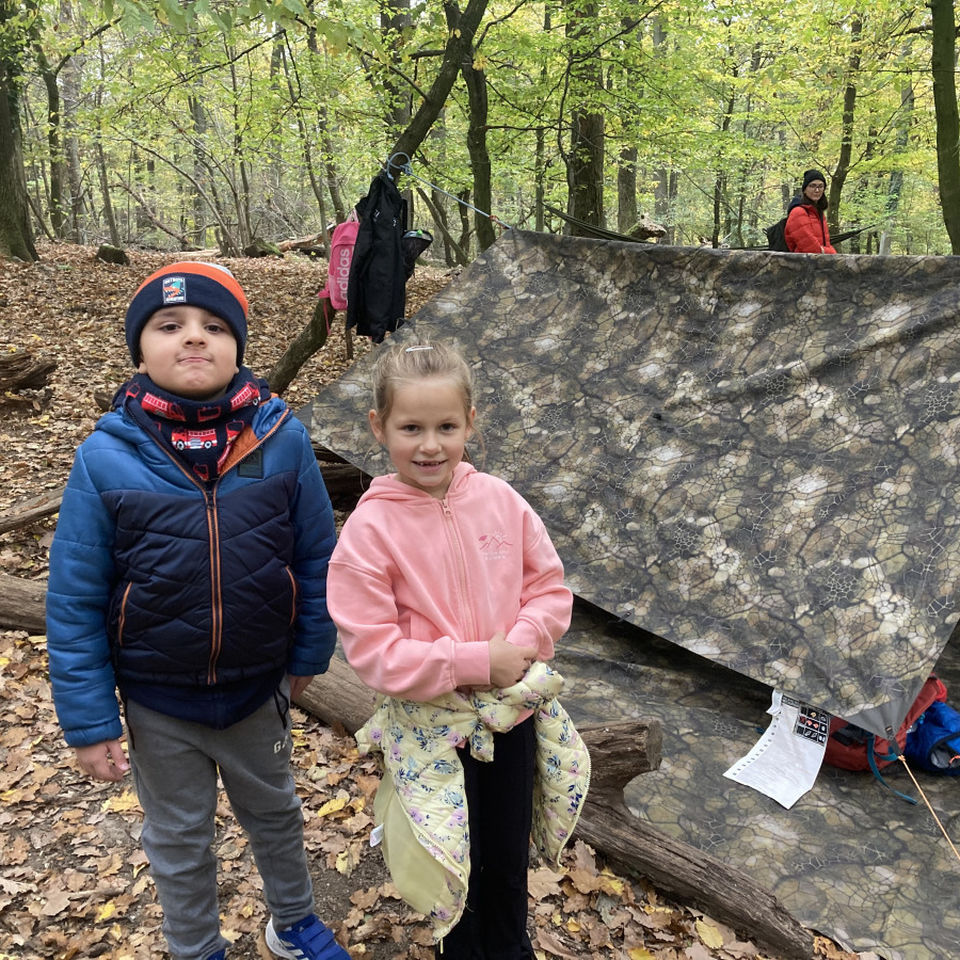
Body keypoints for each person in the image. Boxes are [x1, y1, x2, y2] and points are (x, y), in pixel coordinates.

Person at [45, 262, 350, 960]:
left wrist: (308, 656)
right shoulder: (106, 457)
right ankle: (195, 946)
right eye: (169, 325)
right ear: (140, 347)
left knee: (275, 813)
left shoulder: (280, 439)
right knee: (179, 835)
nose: (194, 339)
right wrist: (90, 720)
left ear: (239, 346)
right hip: (158, 702)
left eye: (215, 327)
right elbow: (74, 596)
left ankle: (294, 922)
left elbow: (316, 557)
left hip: (256, 687)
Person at [325, 340, 590, 960]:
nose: (429, 445)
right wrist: (472, 661)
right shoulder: (370, 531)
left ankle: (511, 948)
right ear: (379, 427)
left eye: (446, 426)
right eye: (410, 427)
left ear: (470, 421)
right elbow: (374, 652)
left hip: (510, 719)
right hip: (429, 733)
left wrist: (517, 651)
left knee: (505, 855)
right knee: (452, 867)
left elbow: (549, 590)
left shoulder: (501, 502)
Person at [784, 168, 837, 254]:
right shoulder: (798, 212)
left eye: (820, 186)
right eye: (812, 186)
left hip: (820, 264)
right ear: (805, 190)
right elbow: (812, 249)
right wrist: (831, 252)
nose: (817, 190)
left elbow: (825, 245)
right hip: (803, 264)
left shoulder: (818, 212)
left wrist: (828, 252)